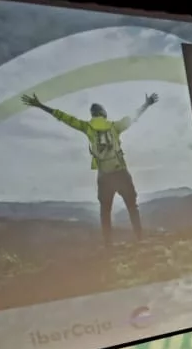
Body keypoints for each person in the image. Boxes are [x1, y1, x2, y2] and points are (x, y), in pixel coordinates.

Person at [20, 90, 158, 243]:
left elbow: (64, 117)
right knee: (132, 207)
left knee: (105, 212)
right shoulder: (115, 127)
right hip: (121, 172)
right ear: (104, 113)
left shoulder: (87, 128)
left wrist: (40, 105)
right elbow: (133, 117)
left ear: (92, 115)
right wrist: (147, 103)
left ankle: (108, 246)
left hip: (104, 176)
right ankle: (139, 239)